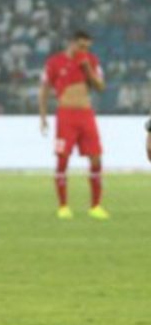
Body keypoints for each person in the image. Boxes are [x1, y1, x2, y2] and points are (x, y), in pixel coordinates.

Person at [39, 30, 108, 220]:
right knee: (62, 159)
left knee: (96, 159)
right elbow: (44, 90)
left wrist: (88, 69)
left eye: (87, 47)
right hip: (66, 115)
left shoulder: (91, 61)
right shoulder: (54, 62)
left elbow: (101, 87)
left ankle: (95, 206)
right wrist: (43, 117)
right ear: (72, 43)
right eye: (81, 46)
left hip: (86, 115)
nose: (84, 50)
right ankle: (63, 206)